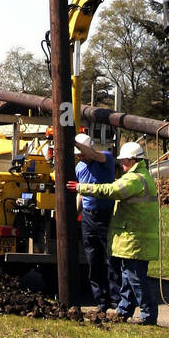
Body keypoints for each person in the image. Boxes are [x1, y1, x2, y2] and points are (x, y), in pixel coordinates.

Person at [67, 140, 160, 325]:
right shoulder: (137, 176)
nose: (121, 164)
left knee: (135, 278)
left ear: (133, 160)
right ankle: (123, 310)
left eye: (124, 161)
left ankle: (148, 315)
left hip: (136, 237)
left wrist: (81, 187)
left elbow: (111, 190)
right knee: (127, 275)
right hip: (131, 236)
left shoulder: (135, 179)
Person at [73, 134, 121, 313]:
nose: (79, 156)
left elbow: (92, 154)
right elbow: (80, 193)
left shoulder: (105, 159)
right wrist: (74, 216)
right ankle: (101, 300)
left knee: (111, 259)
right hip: (88, 217)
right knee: (93, 260)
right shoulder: (79, 167)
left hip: (105, 216)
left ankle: (116, 300)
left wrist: (73, 140)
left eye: (81, 152)